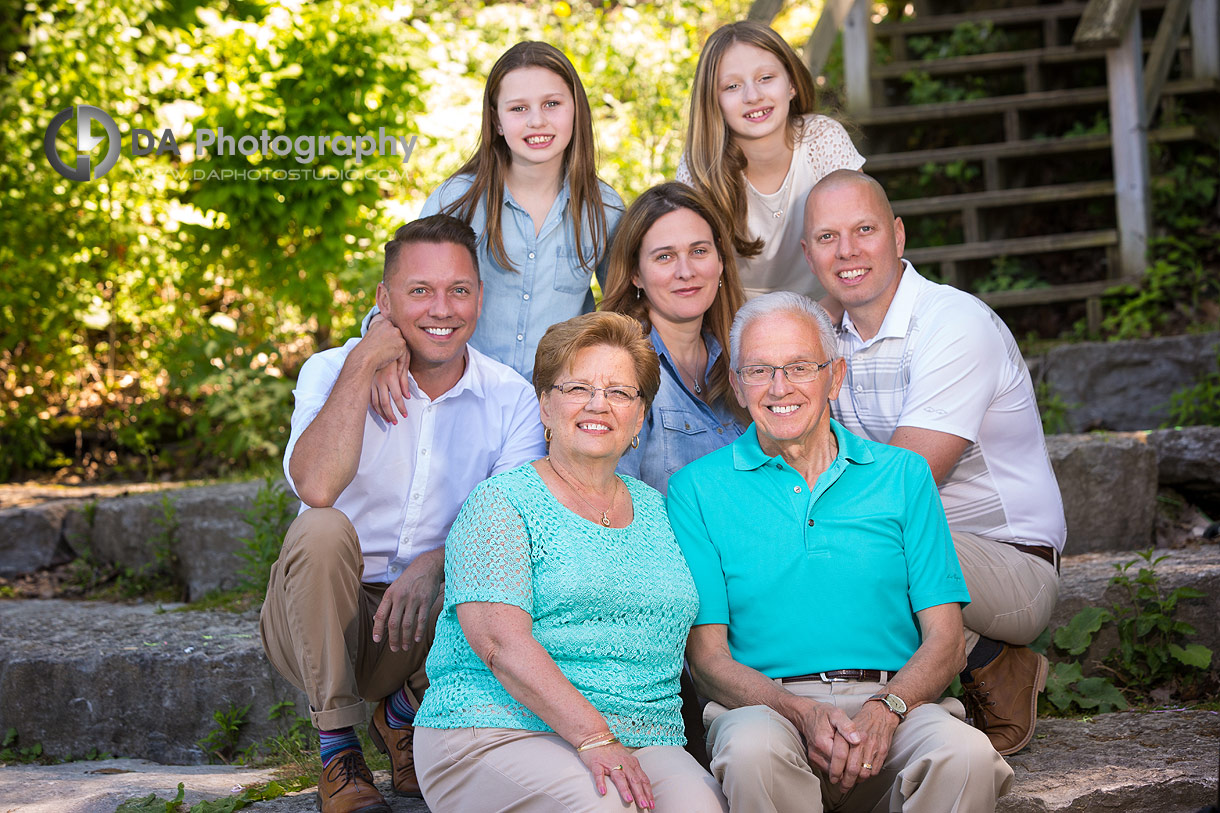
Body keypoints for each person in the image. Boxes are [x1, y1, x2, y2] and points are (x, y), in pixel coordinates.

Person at [668, 292, 1013, 812]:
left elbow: (945, 641)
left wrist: (887, 708)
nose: (779, 387)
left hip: (897, 705)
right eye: (759, 370)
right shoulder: (696, 489)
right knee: (751, 752)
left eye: (800, 367)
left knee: (965, 755)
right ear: (737, 385)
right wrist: (799, 711)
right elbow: (707, 658)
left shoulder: (903, 476)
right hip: (768, 711)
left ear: (836, 376)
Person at [259, 215, 547, 813]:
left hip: (429, 623)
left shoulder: (510, 395)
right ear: (384, 300)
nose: (441, 308)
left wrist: (435, 562)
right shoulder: (329, 369)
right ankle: (339, 750)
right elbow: (315, 486)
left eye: (458, 290)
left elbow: (516, 523)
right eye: (420, 291)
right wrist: (364, 361)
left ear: (479, 297)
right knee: (320, 527)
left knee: (509, 554)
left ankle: (403, 715)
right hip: (321, 613)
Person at [412, 311, 727, 813]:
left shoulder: (661, 510)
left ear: (640, 416)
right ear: (544, 405)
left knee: (703, 808)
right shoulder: (501, 502)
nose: (598, 404)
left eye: (620, 392)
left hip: (643, 739)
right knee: (604, 808)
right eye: (577, 387)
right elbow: (497, 642)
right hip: (496, 729)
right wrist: (595, 737)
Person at [802, 169, 1067, 756]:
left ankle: (980, 668)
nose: (847, 251)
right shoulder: (829, 339)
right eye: (826, 238)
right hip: (922, 543)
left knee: (853, 539)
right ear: (807, 253)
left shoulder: (954, 323)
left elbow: (902, 486)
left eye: (864, 230)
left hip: (1009, 563)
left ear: (898, 236)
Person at [364, 40, 625, 423]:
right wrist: (380, 344)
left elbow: (626, 307)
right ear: (497, 120)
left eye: (552, 104)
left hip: (551, 412)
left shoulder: (604, 208)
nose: (537, 120)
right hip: (459, 400)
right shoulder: (459, 200)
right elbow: (403, 291)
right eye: (519, 108)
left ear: (576, 110)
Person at [678, 21, 865, 301]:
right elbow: (691, 271)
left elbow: (865, 239)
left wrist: (828, 315)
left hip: (834, 303)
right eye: (732, 86)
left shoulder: (822, 139)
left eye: (766, 78)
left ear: (791, 84)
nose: (752, 96)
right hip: (736, 317)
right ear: (712, 101)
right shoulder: (699, 167)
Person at [600, 182, 748, 495]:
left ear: (720, 260)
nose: (685, 271)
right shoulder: (618, 371)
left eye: (699, 251)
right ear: (635, 274)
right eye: (665, 257)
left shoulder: (746, 359)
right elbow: (606, 501)